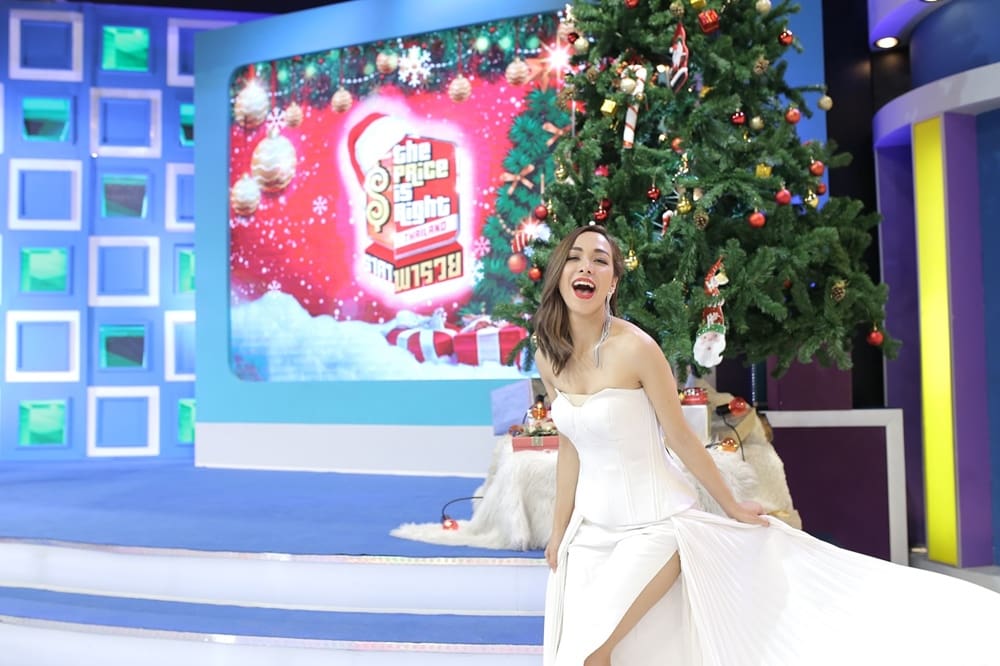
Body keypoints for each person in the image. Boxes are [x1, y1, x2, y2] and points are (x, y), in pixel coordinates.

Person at [532, 224, 1000, 666]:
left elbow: (680, 437)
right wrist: (558, 531)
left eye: (600, 260)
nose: (586, 267)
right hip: (589, 535)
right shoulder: (548, 354)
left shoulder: (638, 348)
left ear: (613, 282)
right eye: (575, 258)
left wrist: (732, 506)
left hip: (654, 526)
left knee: (590, 653)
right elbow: (571, 446)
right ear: (560, 273)